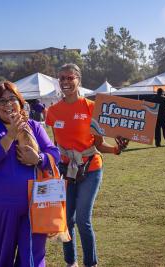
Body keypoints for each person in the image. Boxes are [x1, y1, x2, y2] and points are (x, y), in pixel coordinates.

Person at [45, 64, 128, 267]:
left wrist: (117, 149)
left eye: (69, 78)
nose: (65, 82)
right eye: (61, 78)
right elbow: (55, 145)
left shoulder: (91, 108)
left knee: (82, 219)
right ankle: (70, 262)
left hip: (90, 168)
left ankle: (91, 264)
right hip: (65, 171)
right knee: (66, 220)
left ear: (78, 80)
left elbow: (99, 144)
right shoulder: (53, 112)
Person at [0, 81, 60, 267]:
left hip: (35, 203)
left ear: (20, 102)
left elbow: (54, 153)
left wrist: (38, 159)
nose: (7, 104)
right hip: (0, 204)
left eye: (12, 99)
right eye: (1, 101)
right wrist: (10, 135)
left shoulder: (34, 126)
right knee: (2, 256)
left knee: (33, 258)